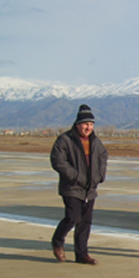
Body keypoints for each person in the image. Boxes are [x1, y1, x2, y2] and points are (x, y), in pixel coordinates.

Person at [50, 104, 108, 265]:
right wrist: (75, 176)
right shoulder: (66, 140)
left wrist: (99, 176)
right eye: (85, 124)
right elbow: (58, 161)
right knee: (72, 217)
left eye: (91, 124)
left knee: (85, 222)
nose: (88, 127)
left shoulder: (95, 142)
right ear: (77, 124)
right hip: (72, 187)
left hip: (90, 189)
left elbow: (103, 157)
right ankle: (57, 241)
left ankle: (81, 254)